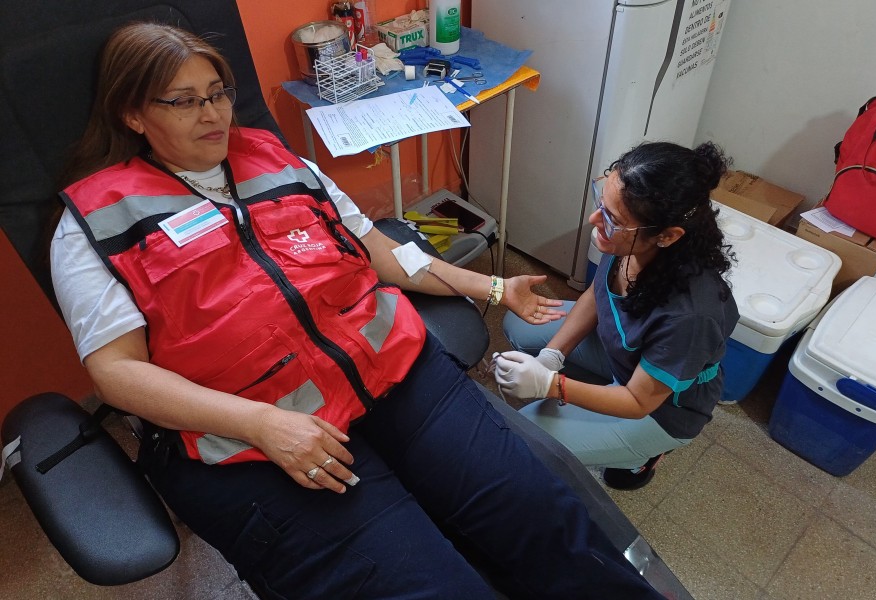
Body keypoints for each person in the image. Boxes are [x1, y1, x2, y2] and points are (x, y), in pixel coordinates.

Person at [50, 22, 664, 599]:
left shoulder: (284, 163)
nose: (211, 113)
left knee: (544, 518)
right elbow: (117, 373)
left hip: (392, 372)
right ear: (133, 114)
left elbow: (384, 253)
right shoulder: (97, 224)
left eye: (217, 93)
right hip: (256, 434)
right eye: (181, 101)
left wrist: (494, 290)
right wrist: (262, 425)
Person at [494, 142, 739, 491]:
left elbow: (639, 401)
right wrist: (553, 355)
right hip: (626, 356)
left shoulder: (691, 314)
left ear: (667, 236)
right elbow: (599, 295)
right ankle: (595, 390)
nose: (596, 220)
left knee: (527, 439)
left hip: (660, 409)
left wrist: (552, 385)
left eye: (612, 218)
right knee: (520, 323)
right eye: (601, 203)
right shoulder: (627, 242)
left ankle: (641, 457)